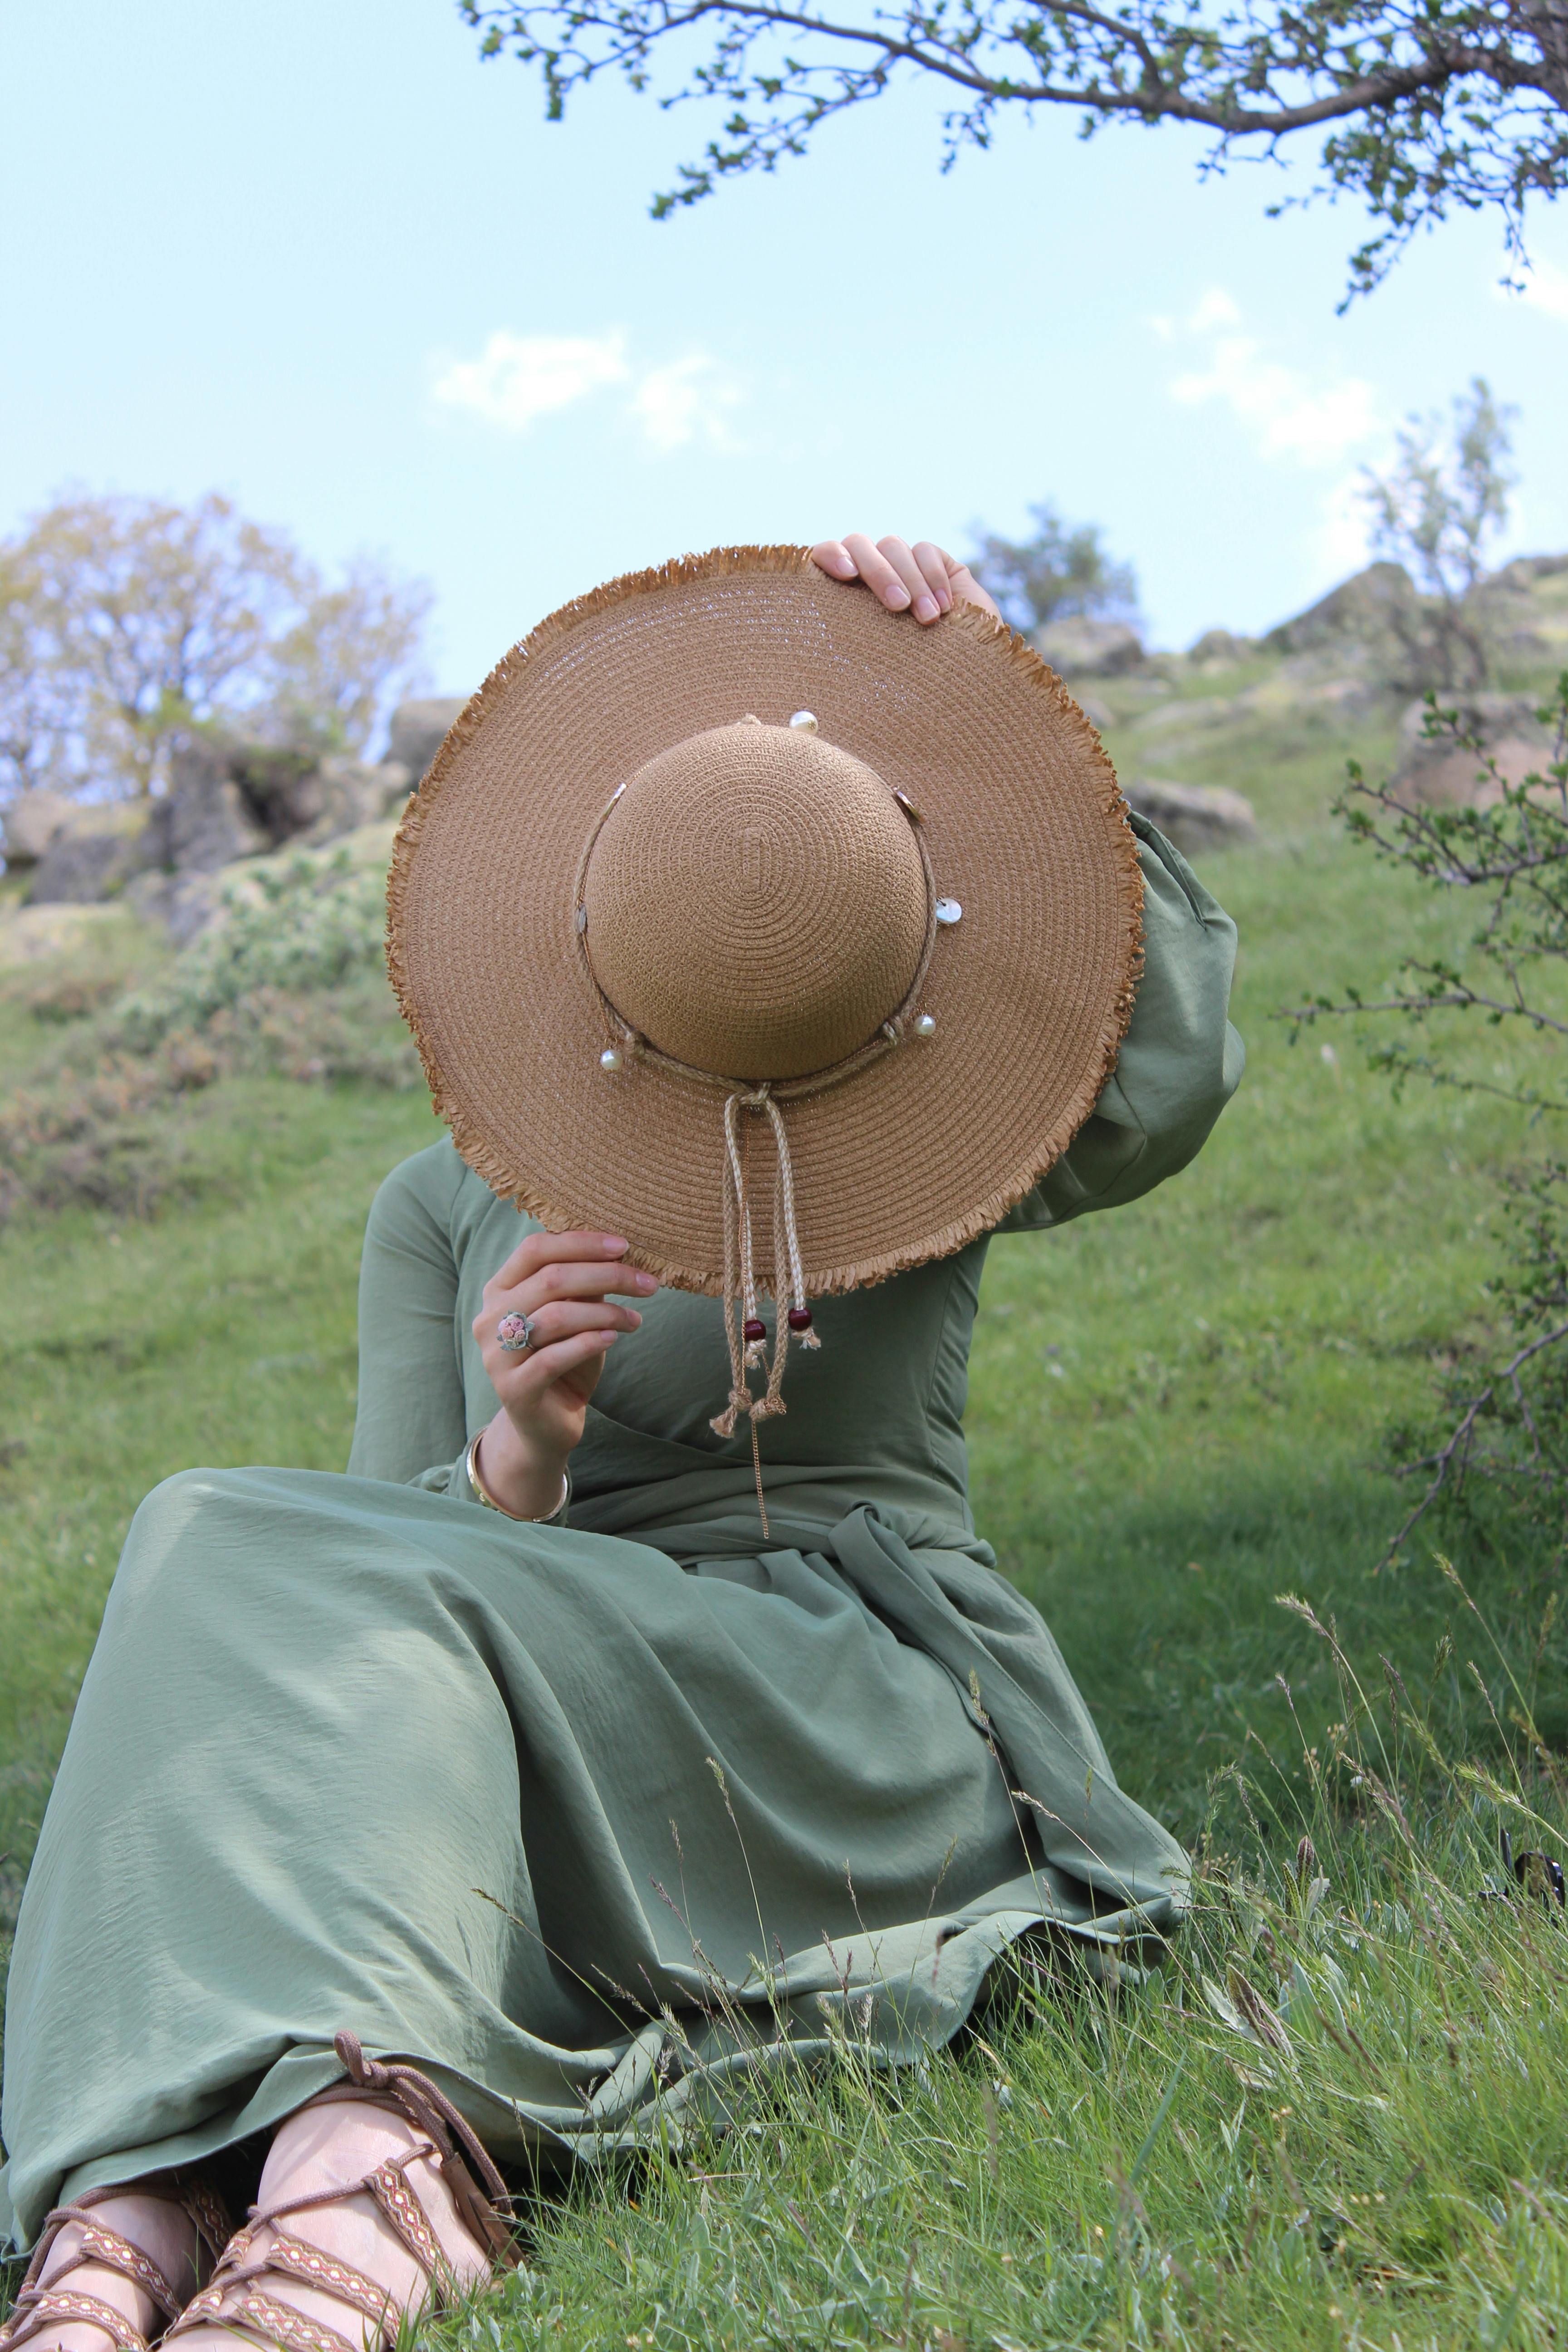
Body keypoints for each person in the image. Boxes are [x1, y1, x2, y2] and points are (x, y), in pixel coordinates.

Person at [0, 534, 1243, 2352]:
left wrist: (982, 696)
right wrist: (522, 1451)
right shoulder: (440, 1207)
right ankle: (144, 2195)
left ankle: (360, 2159)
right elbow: (348, 1601)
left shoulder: (916, 1112)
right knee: (219, 1542)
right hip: (535, 1711)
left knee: (208, 1528)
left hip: (851, 1701)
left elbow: (1168, 1082)